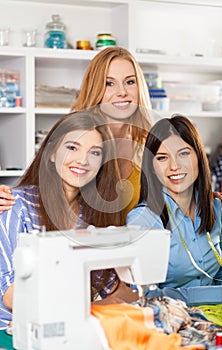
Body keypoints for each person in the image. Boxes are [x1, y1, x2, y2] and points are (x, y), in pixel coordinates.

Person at [0, 46, 222, 217]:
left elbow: (170, 194)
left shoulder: (151, 142)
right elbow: (38, 194)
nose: (122, 92)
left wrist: (202, 199)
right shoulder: (74, 137)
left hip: (136, 259)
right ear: (95, 88)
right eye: (109, 83)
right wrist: (7, 199)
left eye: (129, 82)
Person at [0, 110, 137, 330]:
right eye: (72, 147)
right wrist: (93, 305)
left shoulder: (92, 217)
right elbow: (12, 295)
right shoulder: (16, 206)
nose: (83, 160)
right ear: (52, 153)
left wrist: (92, 306)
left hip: (68, 329)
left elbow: (120, 290)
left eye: (95, 153)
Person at [126, 114, 222, 306]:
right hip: (171, 323)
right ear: (152, 166)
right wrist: (218, 295)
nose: (174, 166)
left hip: (216, 322)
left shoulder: (215, 207)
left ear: (199, 156)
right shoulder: (143, 220)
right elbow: (145, 296)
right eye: (162, 157)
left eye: (184, 153)